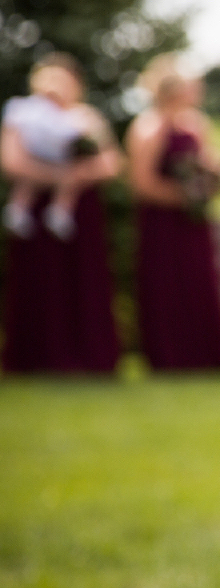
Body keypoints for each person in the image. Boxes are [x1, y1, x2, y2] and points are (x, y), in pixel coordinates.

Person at [1, 54, 123, 374]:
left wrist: (78, 175)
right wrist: (59, 176)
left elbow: (112, 162)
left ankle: (91, 356)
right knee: (40, 279)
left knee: (83, 278)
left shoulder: (86, 118)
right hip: (36, 213)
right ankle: (36, 357)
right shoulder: (25, 117)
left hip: (80, 212)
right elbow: (12, 162)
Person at [125, 56, 220, 371]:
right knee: (165, 285)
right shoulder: (148, 127)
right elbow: (140, 182)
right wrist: (183, 196)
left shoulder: (197, 123)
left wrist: (215, 176)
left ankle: (205, 354)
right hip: (161, 222)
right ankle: (168, 356)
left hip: (193, 222)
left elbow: (206, 162)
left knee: (198, 282)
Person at [3, 69, 103, 240]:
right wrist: (61, 176)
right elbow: (11, 163)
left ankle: (59, 212)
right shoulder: (27, 113)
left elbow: (107, 162)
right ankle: (18, 210)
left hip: (80, 208)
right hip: (41, 188)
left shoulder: (80, 116)